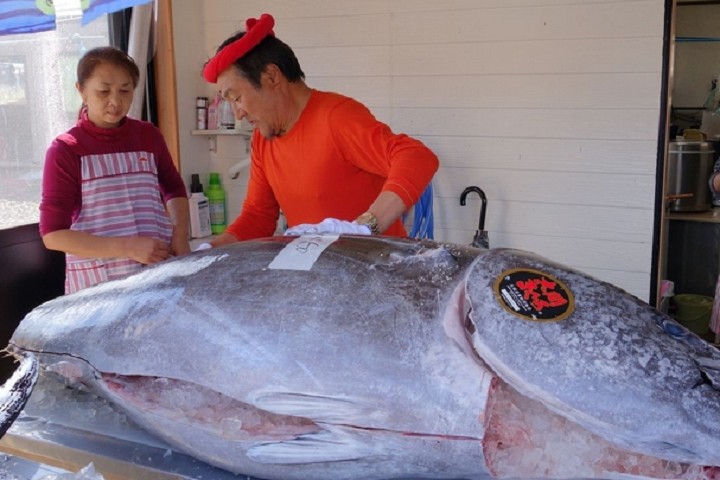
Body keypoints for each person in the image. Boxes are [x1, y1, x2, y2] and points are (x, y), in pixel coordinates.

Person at [200, 13, 438, 247]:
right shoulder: (264, 140)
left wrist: (367, 226)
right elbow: (257, 217)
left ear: (271, 77)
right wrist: (209, 252)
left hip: (374, 269)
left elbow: (416, 157)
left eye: (237, 98)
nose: (238, 113)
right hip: (318, 272)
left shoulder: (336, 118)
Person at [40, 46, 190, 294]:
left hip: (158, 275)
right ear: (81, 90)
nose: (116, 101)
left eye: (125, 90)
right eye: (103, 91)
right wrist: (127, 247)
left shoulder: (148, 136)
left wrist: (180, 235)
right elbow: (53, 235)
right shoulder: (65, 150)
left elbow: (174, 188)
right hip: (100, 289)